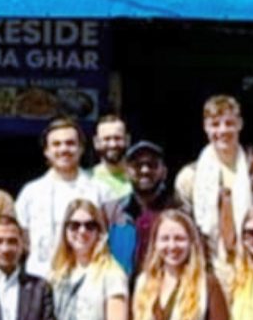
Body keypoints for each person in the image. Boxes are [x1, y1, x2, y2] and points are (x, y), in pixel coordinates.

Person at [174, 96, 253, 277]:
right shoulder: (189, 179)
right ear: (205, 127)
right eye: (215, 124)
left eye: (229, 123)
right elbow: (183, 229)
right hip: (206, 268)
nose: (223, 130)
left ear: (240, 124)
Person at [13, 117, 112, 277]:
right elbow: (22, 239)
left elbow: (108, 236)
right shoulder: (30, 192)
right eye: (56, 144)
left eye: (70, 143)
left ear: (81, 148)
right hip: (41, 277)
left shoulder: (101, 191)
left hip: (88, 277)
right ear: (46, 151)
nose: (64, 149)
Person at [116, 140, 174, 276]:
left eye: (152, 165)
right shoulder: (112, 213)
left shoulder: (177, 211)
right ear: (126, 172)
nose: (145, 170)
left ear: (164, 172)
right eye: (137, 165)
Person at [88, 115, 133, 200]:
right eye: (107, 139)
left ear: (127, 140)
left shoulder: (138, 179)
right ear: (96, 142)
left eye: (117, 138)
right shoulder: (87, 179)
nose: (113, 144)